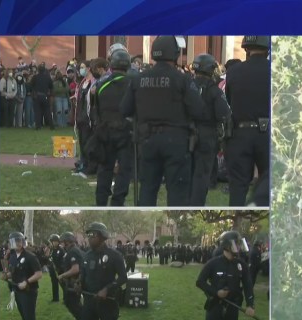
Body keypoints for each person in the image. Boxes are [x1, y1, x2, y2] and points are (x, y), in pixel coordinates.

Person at [120, 36, 205, 206]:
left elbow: (125, 109)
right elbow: (198, 110)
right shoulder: (182, 79)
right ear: (174, 54)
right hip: (177, 141)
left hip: (147, 140)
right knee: (177, 191)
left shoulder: (139, 79)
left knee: (147, 189)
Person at [195, 231, 256, 320]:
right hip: (216, 306)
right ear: (226, 246)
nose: (238, 247)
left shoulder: (241, 264)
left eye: (239, 244)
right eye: (235, 244)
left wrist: (250, 305)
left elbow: (247, 285)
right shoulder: (213, 263)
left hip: (233, 306)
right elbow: (200, 282)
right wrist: (216, 292)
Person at [74, 222, 130, 320]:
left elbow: (123, 278)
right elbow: (83, 276)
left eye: (93, 235)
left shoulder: (114, 255)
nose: (90, 238)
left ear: (102, 236)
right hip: (89, 302)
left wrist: (107, 289)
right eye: (89, 235)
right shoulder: (86, 255)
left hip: (107, 302)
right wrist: (79, 284)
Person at [224, 36, 271, 206]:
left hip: (240, 133)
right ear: (267, 49)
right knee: (268, 184)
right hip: (266, 135)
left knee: (237, 186)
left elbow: (229, 101)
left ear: (246, 49)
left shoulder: (233, 71)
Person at [93, 49, 135, 206]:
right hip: (126, 133)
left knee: (104, 169)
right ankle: (118, 201)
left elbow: (96, 111)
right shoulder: (132, 85)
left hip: (105, 133)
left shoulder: (102, 85)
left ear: (111, 65)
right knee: (124, 171)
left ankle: (101, 200)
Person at [190, 53, 231, 205]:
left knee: (188, 171)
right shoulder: (214, 90)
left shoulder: (187, 86)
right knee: (202, 174)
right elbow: (224, 114)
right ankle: (197, 203)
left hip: (187, 133)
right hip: (207, 135)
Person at [1, 232, 42, 320]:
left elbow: (39, 274)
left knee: (29, 317)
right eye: (15, 241)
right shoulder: (12, 256)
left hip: (29, 291)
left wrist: (27, 281)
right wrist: (6, 275)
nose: (18, 243)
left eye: (19, 240)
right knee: (24, 315)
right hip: (17, 290)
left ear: (23, 242)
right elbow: (13, 272)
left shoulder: (30, 256)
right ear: (11, 243)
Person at [56, 232, 83, 320]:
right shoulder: (73, 250)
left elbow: (75, 269)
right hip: (74, 281)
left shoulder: (73, 252)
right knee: (72, 302)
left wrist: (62, 275)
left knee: (72, 303)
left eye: (62, 242)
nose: (61, 244)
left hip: (75, 281)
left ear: (67, 242)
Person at [30, 63, 54, 130]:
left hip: (37, 96)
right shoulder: (47, 77)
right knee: (48, 111)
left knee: (37, 112)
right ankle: (51, 126)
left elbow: (31, 85)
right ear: (44, 70)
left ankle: (38, 126)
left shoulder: (35, 77)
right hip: (45, 96)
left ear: (38, 70)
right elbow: (51, 86)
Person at [48, 234, 64, 303]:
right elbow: (50, 258)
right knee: (54, 284)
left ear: (58, 242)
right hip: (53, 270)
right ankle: (55, 298)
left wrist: (60, 268)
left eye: (56, 241)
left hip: (60, 270)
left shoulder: (61, 250)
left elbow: (63, 260)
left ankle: (66, 298)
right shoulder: (51, 250)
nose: (54, 243)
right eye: (53, 241)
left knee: (63, 285)